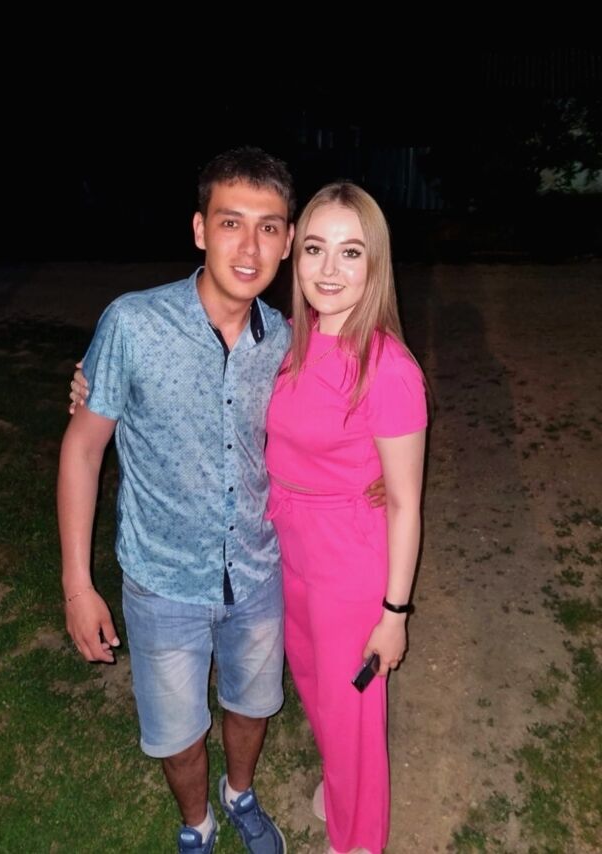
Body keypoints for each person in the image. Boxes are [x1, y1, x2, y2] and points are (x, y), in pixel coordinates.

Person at [58, 146, 297, 854]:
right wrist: (78, 585)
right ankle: (197, 824)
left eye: (268, 227)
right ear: (199, 229)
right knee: (176, 732)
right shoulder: (133, 324)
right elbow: (82, 450)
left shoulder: (285, 342)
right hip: (162, 578)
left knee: (253, 705)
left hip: (256, 571)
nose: (249, 247)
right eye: (231, 223)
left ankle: (240, 793)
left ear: (287, 241)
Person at [264, 182, 427, 853]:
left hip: (348, 562)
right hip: (289, 546)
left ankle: (356, 839)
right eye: (315, 249)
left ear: (374, 264)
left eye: (351, 252)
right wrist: (95, 379)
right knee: (313, 685)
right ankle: (341, 785)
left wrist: (394, 614)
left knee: (352, 707)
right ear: (295, 255)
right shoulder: (287, 342)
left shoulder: (389, 369)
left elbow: (407, 503)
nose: (329, 269)